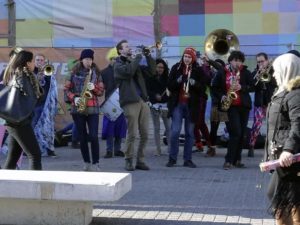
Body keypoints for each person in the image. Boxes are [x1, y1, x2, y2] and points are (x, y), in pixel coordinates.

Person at [265, 53, 300, 225]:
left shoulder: (295, 94)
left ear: (287, 70)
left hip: (291, 159)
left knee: (286, 199)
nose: (273, 74)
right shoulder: (282, 92)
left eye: (277, 70)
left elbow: (298, 125)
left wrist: (288, 150)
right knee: (283, 198)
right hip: (282, 158)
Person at [114, 39, 156, 171]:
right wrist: (138, 57)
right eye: (126, 47)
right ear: (120, 50)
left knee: (145, 134)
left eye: (129, 46)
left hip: (142, 100)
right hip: (129, 101)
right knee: (132, 134)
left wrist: (148, 55)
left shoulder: (134, 62)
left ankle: (140, 160)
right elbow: (128, 72)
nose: (129, 48)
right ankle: (128, 159)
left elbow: (152, 71)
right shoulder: (118, 64)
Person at [212, 50, 254, 170]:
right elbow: (214, 88)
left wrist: (242, 87)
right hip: (229, 107)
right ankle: (228, 160)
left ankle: (237, 159)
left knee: (241, 134)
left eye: (240, 61)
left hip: (243, 107)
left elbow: (253, 86)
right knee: (235, 133)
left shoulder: (245, 72)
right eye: (236, 60)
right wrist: (222, 96)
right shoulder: (222, 72)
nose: (238, 63)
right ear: (230, 60)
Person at [2, 49, 43, 170]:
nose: (34, 64)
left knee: (13, 157)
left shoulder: (16, 74)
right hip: (20, 122)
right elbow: (33, 98)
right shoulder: (22, 76)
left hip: (14, 121)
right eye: (32, 61)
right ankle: (35, 186)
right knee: (35, 155)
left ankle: (4, 185)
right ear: (27, 63)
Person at [64, 49, 104, 171]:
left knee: (93, 136)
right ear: (81, 59)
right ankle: (86, 162)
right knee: (82, 136)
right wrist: (74, 98)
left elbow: (101, 91)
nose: (89, 62)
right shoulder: (72, 73)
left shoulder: (96, 72)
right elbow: (66, 90)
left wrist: (95, 87)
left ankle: (96, 163)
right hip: (78, 108)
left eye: (91, 59)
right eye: (86, 59)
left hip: (92, 108)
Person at [166, 47, 206, 168]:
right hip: (178, 104)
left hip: (192, 105)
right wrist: (178, 80)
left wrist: (193, 82)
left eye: (189, 57)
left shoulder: (198, 70)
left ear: (193, 58)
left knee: (189, 133)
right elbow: (169, 86)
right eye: (185, 56)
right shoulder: (176, 68)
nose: (186, 59)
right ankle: (172, 158)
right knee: (175, 132)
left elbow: (203, 88)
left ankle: (187, 159)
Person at [248, 52, 277, 157]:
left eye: (262, 61)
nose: (260, 63)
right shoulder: (255, 72)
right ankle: (251, 145)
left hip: (271, 102)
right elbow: (251, 87)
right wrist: (258, 76)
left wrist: (268, 74)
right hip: (259, 103)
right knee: (256, 125)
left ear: (267, 60)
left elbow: (276, 84)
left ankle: (271, 148)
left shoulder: (274, 70)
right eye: (258, 61)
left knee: (272, 126)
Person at [101, 47, 126, 158]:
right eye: (113, 58)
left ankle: (118, 149)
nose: (115, 60)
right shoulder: (104, 72)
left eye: (117, 58)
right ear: (109, 59)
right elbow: (101, 88)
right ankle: (109, 150)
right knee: (109, 128)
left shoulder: (123, 70)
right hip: (109, 103)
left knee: (120, 128)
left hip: (122, 102)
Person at [32, 53, 58, 157]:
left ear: (44, 61)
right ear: (34, 61)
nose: (39, 62)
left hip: (46, 105)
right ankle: (32, 150)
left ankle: (49, 149)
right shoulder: (31, 73)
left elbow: (52, 84)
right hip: (34, 105)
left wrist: (45, 75)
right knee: (33, 127)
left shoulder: (48, 72)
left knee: (48, 127)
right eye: (37, 60)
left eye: (41, 60)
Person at [145, 58, 170, 156]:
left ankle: (170, 148)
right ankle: (157, 149)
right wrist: (155, 95)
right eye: (159, 67)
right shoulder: (150, 77)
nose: (160, 69)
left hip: (165, 105)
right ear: (155, 67)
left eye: (162, 68)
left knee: (168, 127)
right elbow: (147, 90)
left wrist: (166, 96)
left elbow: (170, 91)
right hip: (154, 105)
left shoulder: (167, 78)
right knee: (156, 128)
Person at [208, 59, 229, 153]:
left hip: (225, 104)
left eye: (218, 66)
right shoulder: (210, 76)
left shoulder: (225, 74)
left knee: (230, 126)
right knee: (213, 128)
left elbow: (221, 68)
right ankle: (212, 148)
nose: (215, 68)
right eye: (214, 66)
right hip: (215, 104)